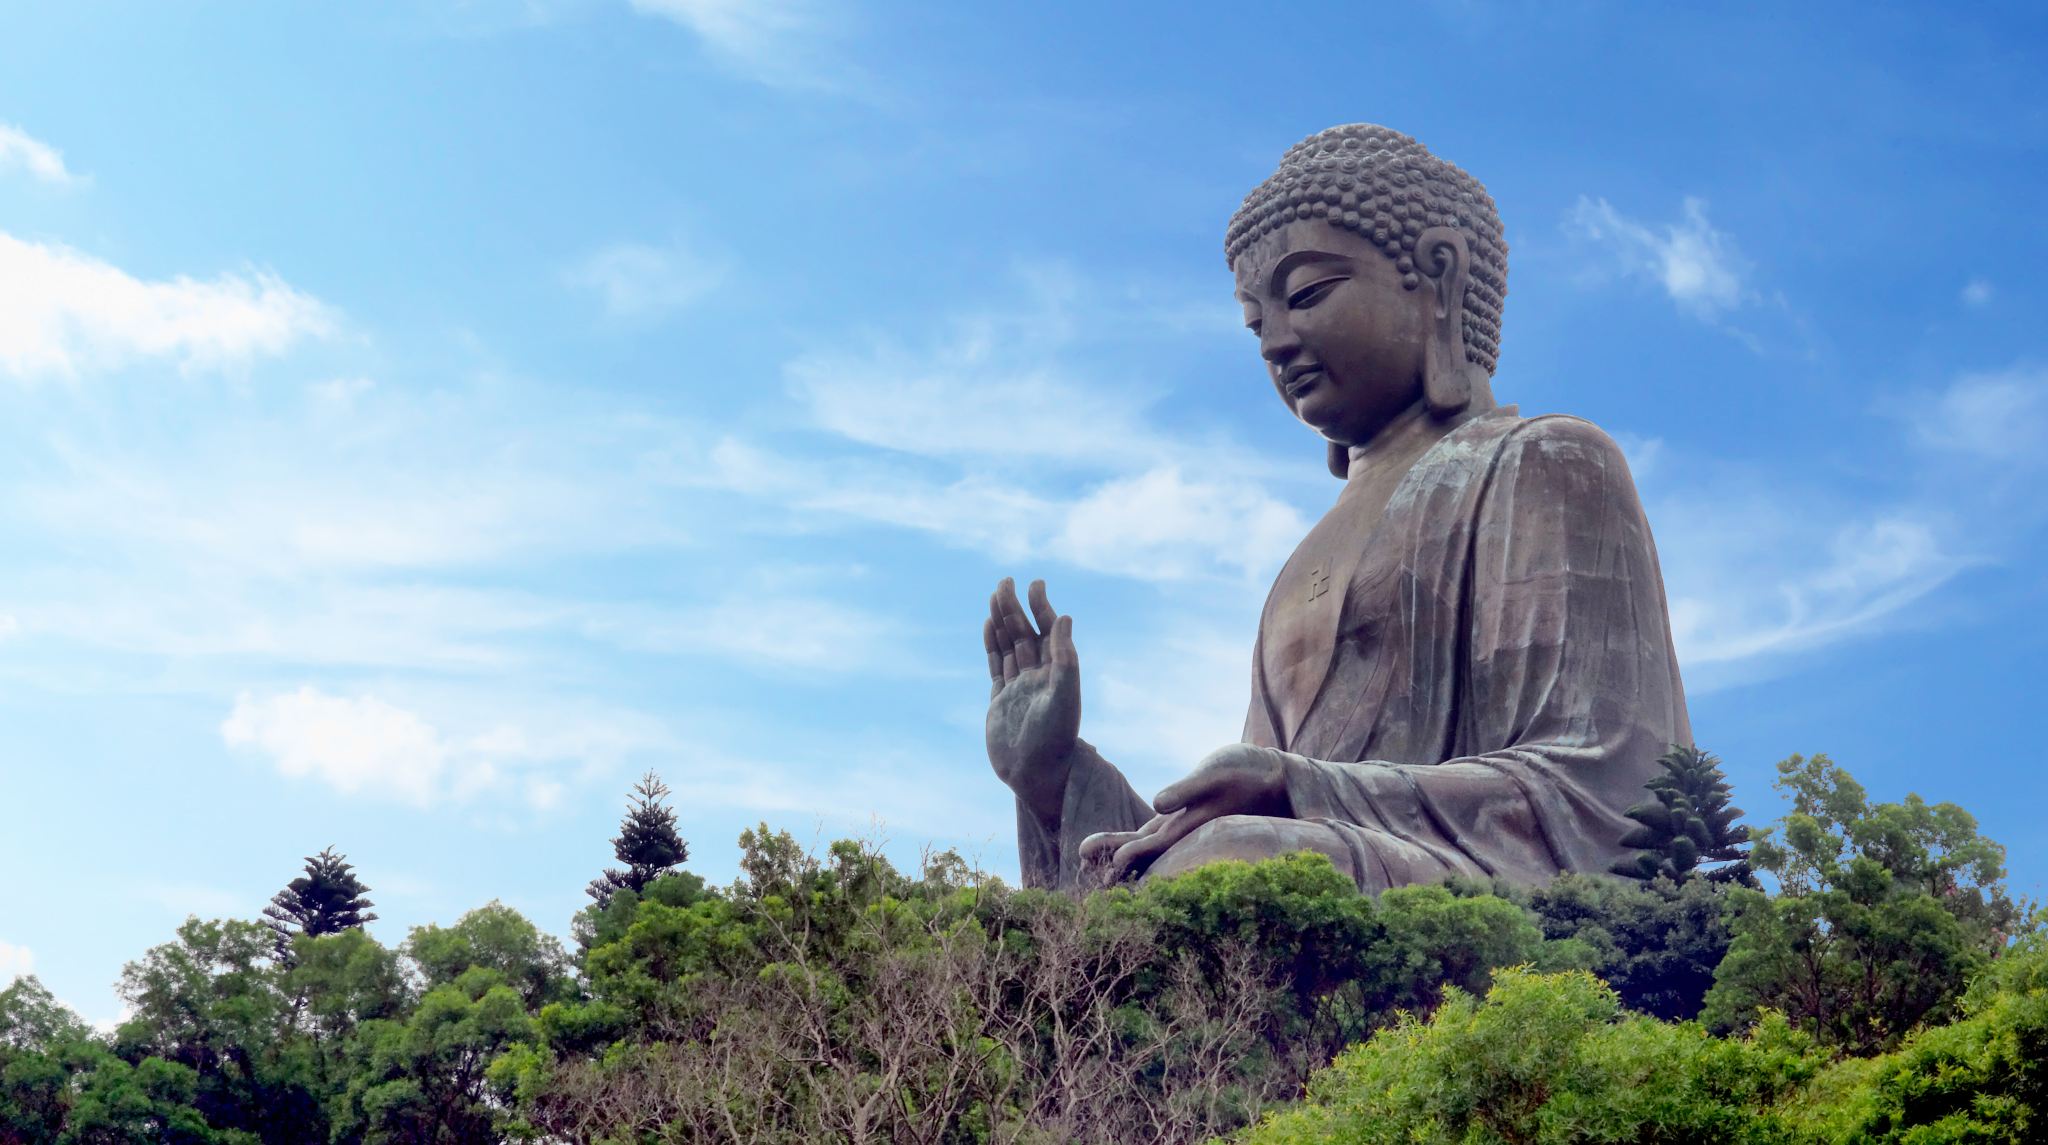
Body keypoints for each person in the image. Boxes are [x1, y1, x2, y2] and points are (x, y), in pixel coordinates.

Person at [983, 124, 1691, 893]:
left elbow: (1608, 803)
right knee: (1211, 869)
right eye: (1256, 322)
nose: (1274, 344)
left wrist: (1300, 787)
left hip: (1492, 903)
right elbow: (1226, 821)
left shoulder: (1549, 463)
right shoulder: (1301, 563)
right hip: (1331, 869)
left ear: (1440, 274)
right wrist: (1054, 778)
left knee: (1243, 862)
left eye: (1308, 296)